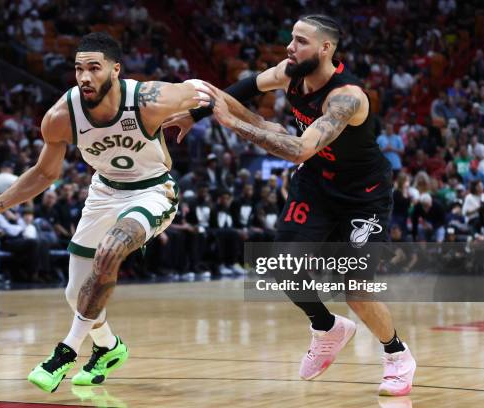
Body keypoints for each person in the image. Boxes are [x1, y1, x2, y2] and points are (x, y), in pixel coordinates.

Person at [164, 15, 416, 396]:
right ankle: (326, 327)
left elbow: (300, 150)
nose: (290, 47)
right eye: (291, 40)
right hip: (316, 185)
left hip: (362, 197)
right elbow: (247, 86)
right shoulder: (290, 72)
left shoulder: (346, 97)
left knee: (354, 288)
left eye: (300, 41)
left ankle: (397, 355)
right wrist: (199, 111)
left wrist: (230, 122)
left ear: (325, 48)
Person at [0, 32, 210, 393]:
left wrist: (195, 113)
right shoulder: (61, 116)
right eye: (79, 69)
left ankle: (65, 352)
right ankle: (109, 347)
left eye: (94, 68)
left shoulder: (147, 99)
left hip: (153, 190)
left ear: (115, 70)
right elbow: (45, 173)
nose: (84, 77)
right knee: (74, 292)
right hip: (104, 192)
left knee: (112, 246)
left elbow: (209, 92)